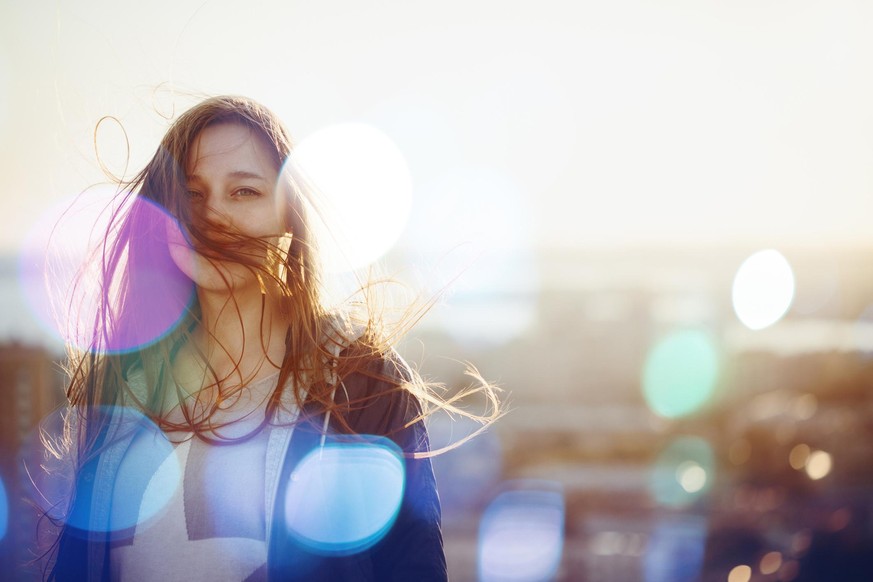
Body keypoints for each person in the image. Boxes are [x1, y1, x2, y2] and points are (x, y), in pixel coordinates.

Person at [35, 95, 498, 581]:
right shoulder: (124, 389)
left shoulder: (358, 378)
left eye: (244, 192)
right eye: (192, 194)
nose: (213, 216)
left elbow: (412, 566)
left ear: (286, 215)